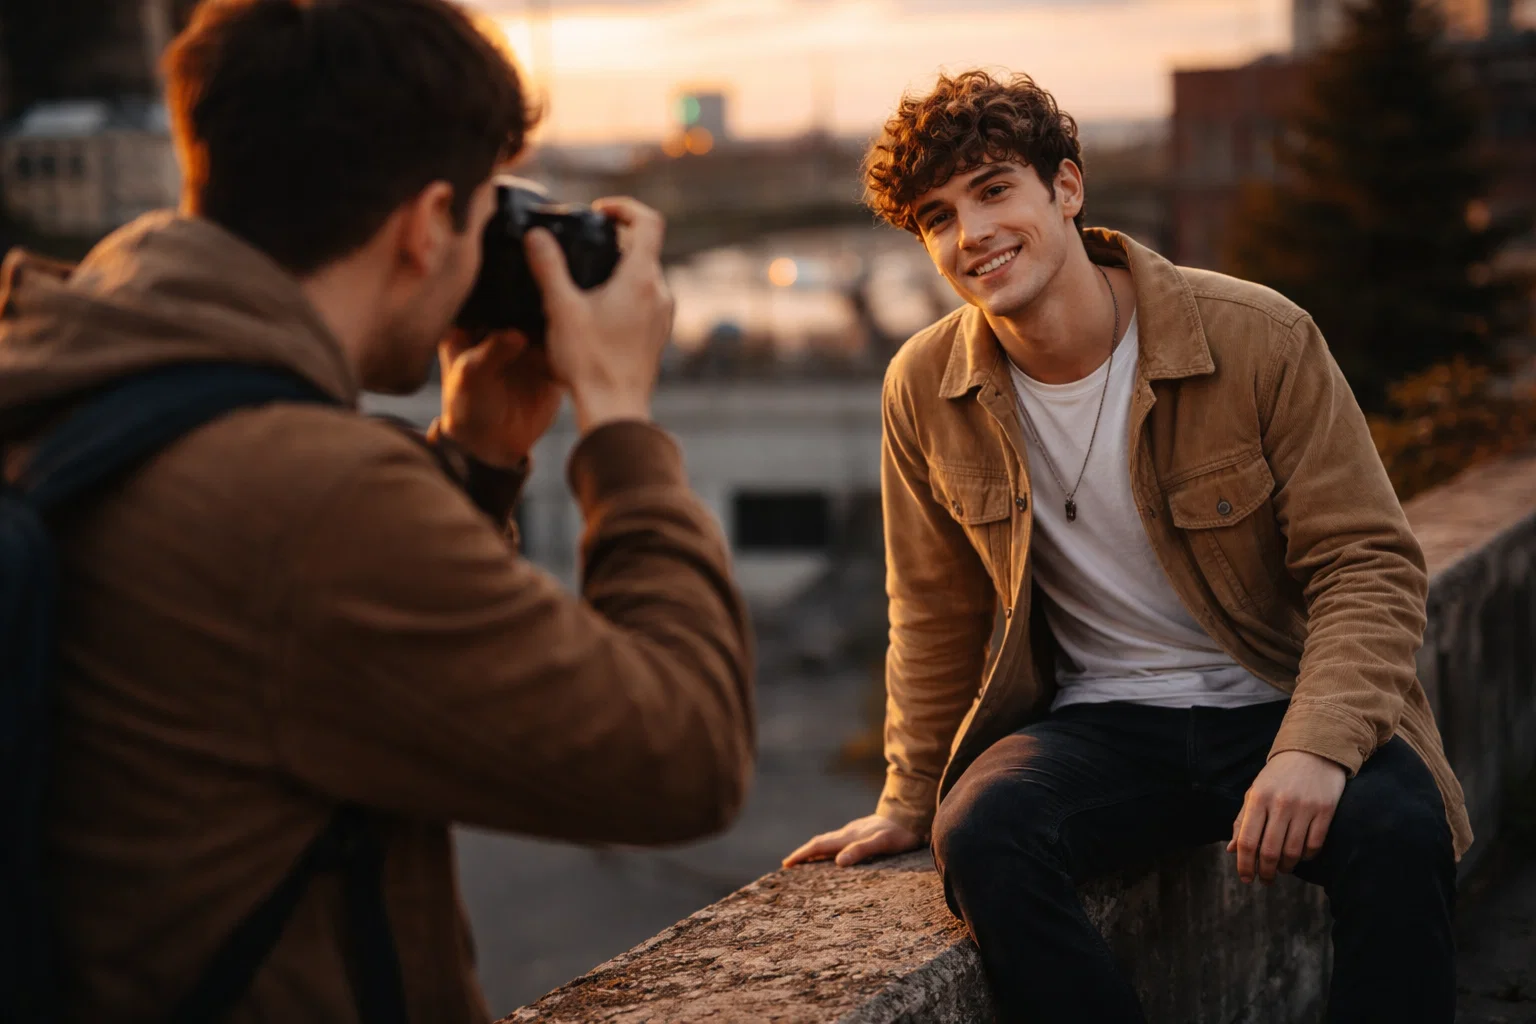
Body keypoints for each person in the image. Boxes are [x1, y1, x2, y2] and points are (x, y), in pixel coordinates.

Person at [0, 0, 754, 1021]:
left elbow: (292, 654)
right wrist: (620, 422)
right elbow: (687, 754)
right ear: (428, 222)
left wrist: (475, 456)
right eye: (488, 214)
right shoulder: (311, 494)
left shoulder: (77, 368)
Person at [784, 69, 1467, 1023]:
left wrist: (1315, 747)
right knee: (979, 834)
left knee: (1399, 827)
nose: (971, 233)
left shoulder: (1258, 335)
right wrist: (906, 797)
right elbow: (934, 609)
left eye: (992, 190)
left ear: (1066, 189)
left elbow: (1368, 563)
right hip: (1100, 726)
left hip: (1273, 695)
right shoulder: (923, 385)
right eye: (938, 217)